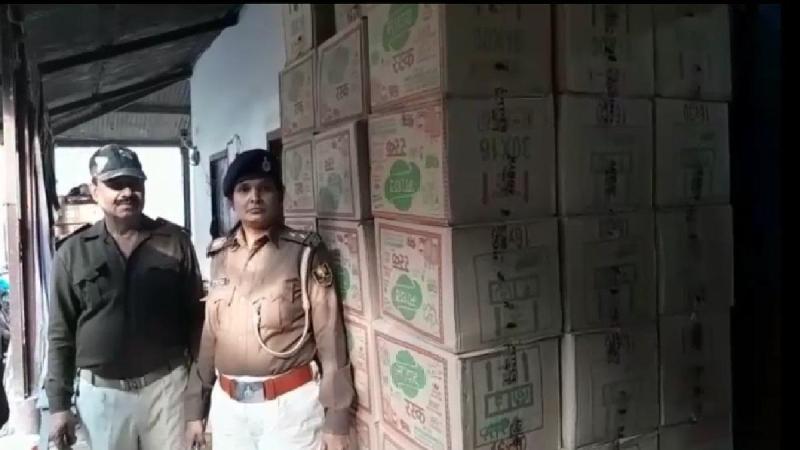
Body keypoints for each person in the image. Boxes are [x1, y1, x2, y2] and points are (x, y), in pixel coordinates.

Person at [184, 149, 354, 450]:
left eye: (265, 188)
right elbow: (210, 337)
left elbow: (331, 339)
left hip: (289, 411)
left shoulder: (305, 253)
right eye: (244, 189)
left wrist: (337, 419)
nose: (255, 197)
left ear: (280, 196)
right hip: (230, 411)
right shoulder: (220, 255)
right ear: (232, 200)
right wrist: (196, 409)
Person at [46, 144, 205, 450]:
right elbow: (60, 333)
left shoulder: (175, 242)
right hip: (103, 397)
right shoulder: (73, 252)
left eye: (135, 183)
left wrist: (196, 400)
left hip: (166, 390)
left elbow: (198, 325)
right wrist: (58, 405)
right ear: (95, 190)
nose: (127, 192)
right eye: (116, 184)